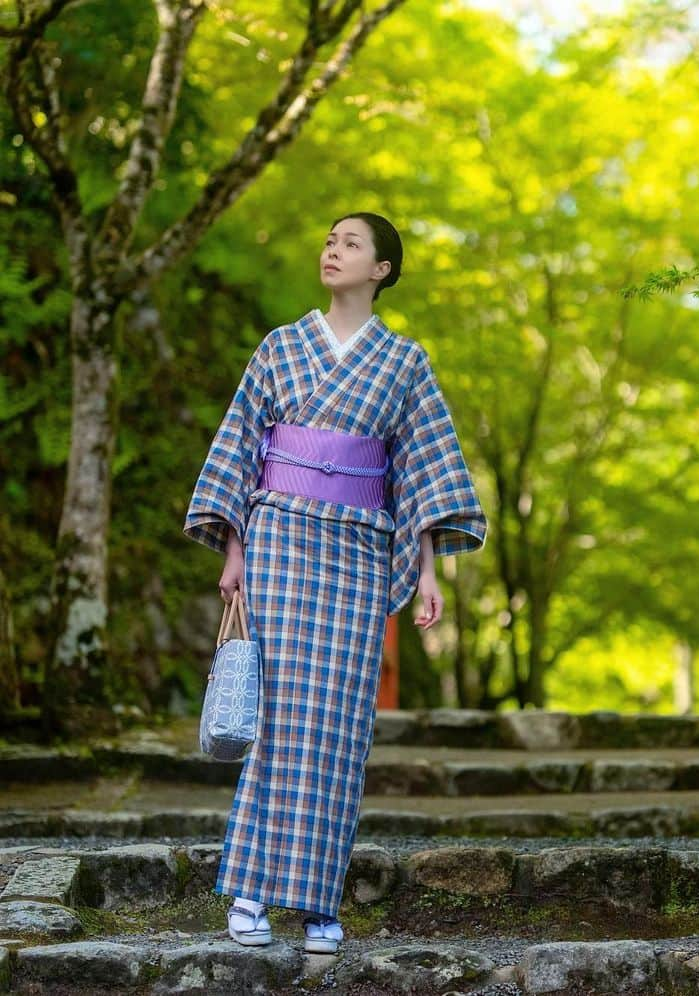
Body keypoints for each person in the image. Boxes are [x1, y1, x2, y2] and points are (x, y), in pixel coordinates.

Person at [183, 211, 487, 954]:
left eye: (351, 244)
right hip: (280, 539)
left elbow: (420, 469)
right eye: (328, 239)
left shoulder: (405, 362)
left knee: (341, 728)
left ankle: (319, 903)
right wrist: (233, 551)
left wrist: (426, 574)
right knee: (280, 717)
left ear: (382, 269)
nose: (333, 249)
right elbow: (239, 445)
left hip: (356, 552)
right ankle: (251, 890)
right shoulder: (280, 348)